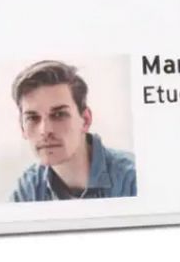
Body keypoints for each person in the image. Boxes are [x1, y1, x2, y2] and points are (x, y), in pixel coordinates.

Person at [10, 60, 136, 201]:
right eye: (33, 118)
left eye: (59, 115)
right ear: (22, 127)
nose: (45, 130)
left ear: (85, 120)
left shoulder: (134, 179)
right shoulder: (27, 190)